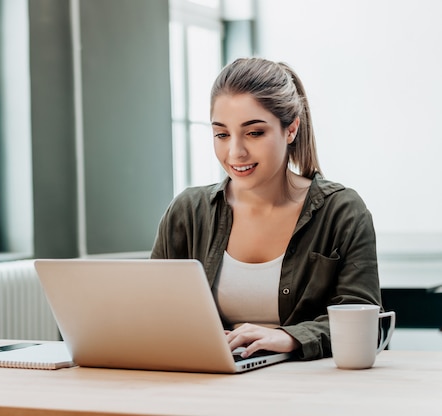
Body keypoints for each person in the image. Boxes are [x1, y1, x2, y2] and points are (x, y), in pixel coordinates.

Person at [150, 57, 381, 361]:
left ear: (291, 130)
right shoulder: (188, 212)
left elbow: (365, 324)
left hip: (310, 389)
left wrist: (290, 337)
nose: (235, 152)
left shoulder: (342, 211)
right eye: (222, 134)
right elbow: (153, 312)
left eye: (254, 132)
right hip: (210, 382)